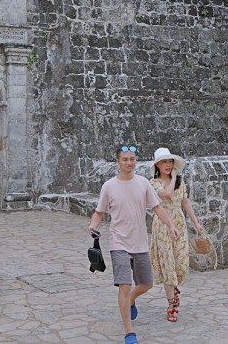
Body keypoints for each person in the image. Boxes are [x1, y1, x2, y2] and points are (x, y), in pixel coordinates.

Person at [88, 145, 180, 344]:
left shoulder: (143, 184)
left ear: (135, 160)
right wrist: (93, 226)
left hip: (140, 243)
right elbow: (99, 212)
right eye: (125, 159)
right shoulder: (109, 186)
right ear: (118, 162)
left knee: (147, 283)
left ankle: (131, 299)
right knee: (124, 284)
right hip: (118, 242)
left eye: (132, 159)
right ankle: (129, 332)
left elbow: (157, 207)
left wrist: (171, 224)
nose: (129, 162)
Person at [148, 147, 205, 323]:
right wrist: (172, 178)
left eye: (170, 161)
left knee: (181, 265)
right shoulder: (153, 183)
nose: (168, 164)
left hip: (179, 226)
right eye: (164, 161)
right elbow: (167, 194)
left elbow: (185, 203)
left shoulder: (181, 183)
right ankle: (171, 304)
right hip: (163, 227)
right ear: (157, 164)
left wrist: (196, 223)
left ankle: (174, 289)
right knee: (168, 267)